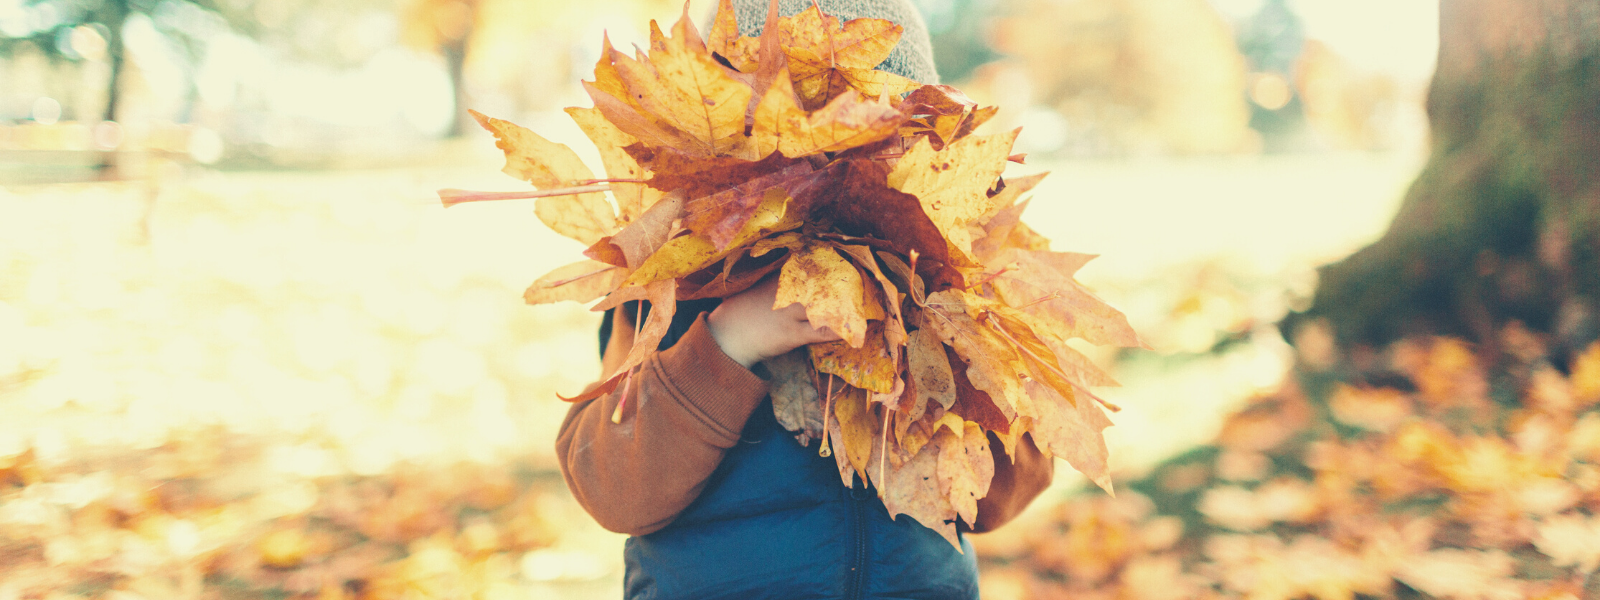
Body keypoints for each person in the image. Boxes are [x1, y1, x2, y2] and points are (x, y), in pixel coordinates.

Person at [554, 1, 1054, 598]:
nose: (829, 169)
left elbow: (1005, 494)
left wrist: (946, 352)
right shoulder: (673, 276)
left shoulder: (950, 272)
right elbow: (613, 489)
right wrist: (729, 340)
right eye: (796, 135)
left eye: (867, 140)